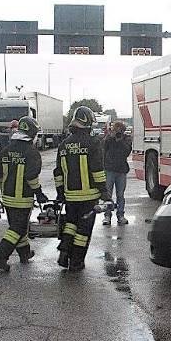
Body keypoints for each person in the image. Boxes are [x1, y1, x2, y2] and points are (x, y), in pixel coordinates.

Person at [0, 116, 48, 271]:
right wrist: (39, 194)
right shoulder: (32, 153)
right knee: (18, 229)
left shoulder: (6, 151)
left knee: (17, 226)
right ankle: (0, 255)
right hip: (23, 199)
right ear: (32, 133)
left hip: (7, 198)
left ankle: (25, 253)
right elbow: (31, 177)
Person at [54, 106, 108, 271]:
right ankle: (76, 261)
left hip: (70, 196)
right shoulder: (93, 143)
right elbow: (97, 170)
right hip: (88, 196)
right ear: (88, 122)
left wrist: (60, 193)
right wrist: (104, 191)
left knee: (71, 224)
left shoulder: (63, 145)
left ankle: (64, 254)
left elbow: (58, 172)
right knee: (83, 230)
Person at [102, 121, 132, 225]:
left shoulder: (126, 139)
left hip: (121, 170)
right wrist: (111, 137)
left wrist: (120, 141)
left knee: (120, 195)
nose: (119, 133)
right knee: (108, 195)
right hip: (109, 169)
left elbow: (127, 151)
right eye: (117, 130)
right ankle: (107, 216)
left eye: (121, 131)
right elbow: (103, 148)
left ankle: (121, 215)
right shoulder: (108, 138)